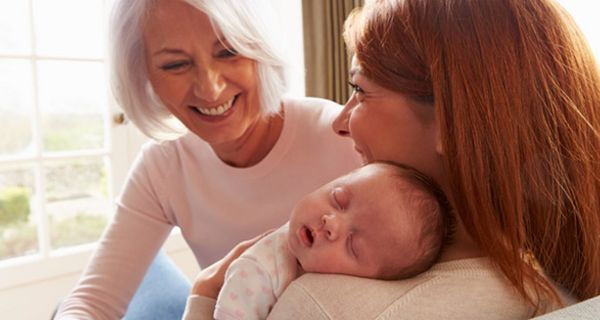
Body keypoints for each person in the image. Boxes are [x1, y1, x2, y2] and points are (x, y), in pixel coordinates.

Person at [188, 0, 600, 319]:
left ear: (451, 124)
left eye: (361, 90)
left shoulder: (324, 305)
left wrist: (204, 299)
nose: (341, 121)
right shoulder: (551, 283)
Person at [53, 0, 361, 318]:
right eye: (175, 65)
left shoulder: (344, 138)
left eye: (228, 52)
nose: (210, 89)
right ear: (142, 74)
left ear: (261, 49)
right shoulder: (163, 166)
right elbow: (91, 301)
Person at [188, 162, 453, 320]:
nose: (330, 223)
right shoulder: (257, 274)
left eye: (352, 245)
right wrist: (202, 295)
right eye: (338, 199)